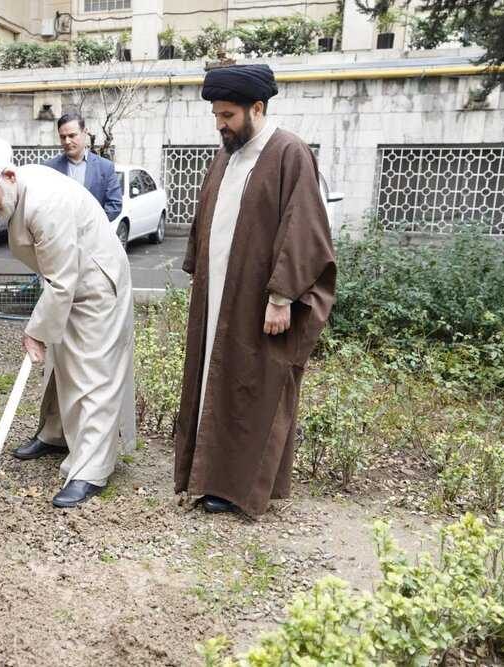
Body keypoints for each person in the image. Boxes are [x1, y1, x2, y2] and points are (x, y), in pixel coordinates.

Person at [173, 64, 336, 517]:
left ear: (257, 108)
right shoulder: (228, 152)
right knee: (215, 380)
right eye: (216, 116)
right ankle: (208, 477)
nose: (219, 125)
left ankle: (237, 487)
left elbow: (304, 227)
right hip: (220, 294)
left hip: (261, 300)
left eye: (227, 115)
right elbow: (208, 213)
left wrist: (283, 295)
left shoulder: (289, 152)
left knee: (252, 387)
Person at [0, 138, 136, 508]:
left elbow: (63, 280)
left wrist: (34, 331)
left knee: (94, 374)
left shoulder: (45, 203)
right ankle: (56, 435)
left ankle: (90, 469)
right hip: (67, 281)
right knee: (61, 363)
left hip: (96, 285)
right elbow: (58, 277)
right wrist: (41, 330)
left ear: (7, 176)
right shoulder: (18, 187)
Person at [44, 113, 122, 222]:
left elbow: (115, 205)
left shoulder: (105, 167)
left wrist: (91, 226)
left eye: (72, 136)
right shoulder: (49, 168)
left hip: (94, 235)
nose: (67, 141)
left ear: (84, 132)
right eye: (63, 137)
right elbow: (44, 205)